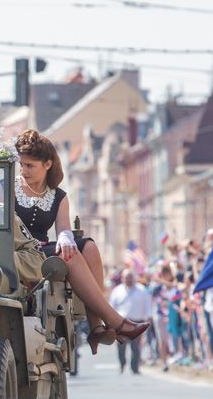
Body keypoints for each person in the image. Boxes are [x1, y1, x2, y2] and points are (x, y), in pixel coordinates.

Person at [13, 130, 149, 353]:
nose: (23, 170)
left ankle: (96, 326)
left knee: (90, 246)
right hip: (21, 249)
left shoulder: (58, 195)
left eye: (30, 166)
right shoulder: (11, 187)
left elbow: (63, 229)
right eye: (22, 164)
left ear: (47, 164)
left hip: (44, 247)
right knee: (71, 255)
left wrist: (65, 238)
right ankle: (115, 322)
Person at [110, 269, 153, 374]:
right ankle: (122, 365)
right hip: (121, 323)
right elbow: (111, 307)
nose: (128, 279)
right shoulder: (117, 291)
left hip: (136, 322)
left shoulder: (142, 290)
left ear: (134, 278)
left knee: (136, 346)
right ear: (122, 278)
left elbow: (148, 305)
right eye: (126, 277)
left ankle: (135, 368)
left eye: (130, 277)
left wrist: (149, 317)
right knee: (121, 346)